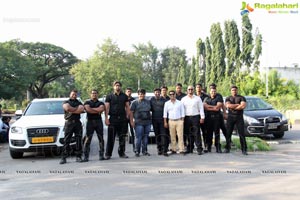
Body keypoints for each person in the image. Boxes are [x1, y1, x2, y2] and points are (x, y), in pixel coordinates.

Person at [105, 81, 131, 159]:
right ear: (113, 87)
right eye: (116, 85)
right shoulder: (109, 96)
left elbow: (127, 107)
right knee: (111, 138)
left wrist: (127, 116)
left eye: (119, 85)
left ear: (121, 87)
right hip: (113, 119)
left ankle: (122, 153)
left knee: (122, 137)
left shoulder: (124, 96)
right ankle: (108, 154)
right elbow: (106, 107)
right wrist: (106, 118)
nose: (117, 87)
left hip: (122, 119)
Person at [60, 90, 85, 164]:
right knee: (66, 140)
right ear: (70, 94)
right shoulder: (66, 102)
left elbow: (81, 109)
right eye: (73, 94)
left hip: (77, 123)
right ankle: (63, 158)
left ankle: (78, 156)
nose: (74, 95)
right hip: (69, 123)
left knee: (78, 140)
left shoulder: (79, 102)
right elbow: (67, 108)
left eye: (75, 94)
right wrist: (76, 109)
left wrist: (72, 110)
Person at [82, 89, 106, 162]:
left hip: (98, 122)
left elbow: (101, 109)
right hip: (90, 122)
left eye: (95, 93)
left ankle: (101, 155)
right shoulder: (87, 102)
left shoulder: (101, 102)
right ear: (90, 94)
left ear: (97, 94)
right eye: (92, 93)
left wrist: (92, 109)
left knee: (101, 139)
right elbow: (88, 110)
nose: (94, 94)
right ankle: (86, 156)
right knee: (88, 139)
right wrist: (97, 110)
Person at [181, 86, 205, 155]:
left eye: (191, 89)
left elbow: (201, 108)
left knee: (197, 133)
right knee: (188, 133)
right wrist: (182, 119)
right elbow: (182, 110)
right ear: (187, 90)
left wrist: (202, 117)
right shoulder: (183, 99)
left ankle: (199, 149)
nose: (190, 90)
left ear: (193, 90)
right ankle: (190, 148)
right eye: (189, 89)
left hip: (195, 117)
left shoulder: (198, 98)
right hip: (187, 117)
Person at [225, 85, 248, 155]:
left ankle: (244, 150)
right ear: (230, 91)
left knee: (241, 134)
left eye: (235, 90)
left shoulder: (241, 97)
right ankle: (227, 148)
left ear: (237, 90)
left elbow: (243, 106)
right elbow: (228, 105)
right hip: (230, 117)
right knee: (228, 133)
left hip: (239, 117)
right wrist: (237, 105)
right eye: (232, 90)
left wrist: (233, 107)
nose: (234, 91)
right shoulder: (228, 98)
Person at [130, 89, 152, 157]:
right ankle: (137, 151)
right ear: (138, 95)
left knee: (146, 137)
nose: (141, 95)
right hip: (138, 122)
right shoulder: (134, 102)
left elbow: (151, 111)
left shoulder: (148, 102)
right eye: (140, 94)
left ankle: (144, 151)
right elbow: (131, 113)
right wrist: (132, 121)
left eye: (142, 94)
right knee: (138, 137)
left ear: (144, 95)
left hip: (147, 122)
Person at [163, 90, 185, 155]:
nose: (172, 95)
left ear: (175, 95)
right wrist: (165, 122)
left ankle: (181, 149)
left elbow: (183, 112)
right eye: (170, 94)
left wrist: (182, 121)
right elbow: (165, 114)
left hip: (179, 121)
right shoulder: (167, 103)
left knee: (180, 136)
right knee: (172, 136)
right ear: (169, 95)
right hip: (171, 121)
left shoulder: (180, 103)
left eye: (173, 94)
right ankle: (173, 149)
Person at [203, 87, 223, 153]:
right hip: (208, 118)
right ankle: (209, 147)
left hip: (216, 118)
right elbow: (205, 107)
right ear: (210, 91)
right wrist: (214, 107)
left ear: (216, 91)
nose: (213, 92)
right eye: (212, 91)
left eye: (214, 91)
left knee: (217, 133)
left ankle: (218, 147)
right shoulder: (206, 98)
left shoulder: (218, 97)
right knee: (209, 133)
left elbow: (218, 108)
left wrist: (209, 107)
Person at [150, 88, 169, 156]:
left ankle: (164, 150)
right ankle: (159, 149)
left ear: (160, 93)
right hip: (154, 120)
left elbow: (166, 111)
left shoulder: (164, 100)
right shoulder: (151, 100)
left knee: (163, 135)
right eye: (156, 92)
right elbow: (149, 109)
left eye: (158, 92)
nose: (157, 93)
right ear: (154, 93)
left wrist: (166, 121)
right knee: (157, 135)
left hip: (162, 120)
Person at [195, 83, 209, 152]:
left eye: (199, 87)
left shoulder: (206, 96)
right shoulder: (193, 96)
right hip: (195, 116)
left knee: (204, 132)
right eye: (197, 87)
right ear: (196, 88)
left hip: (204, 116)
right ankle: (197, 145)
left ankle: (206, 146)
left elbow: (206, 105)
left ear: (201, 88)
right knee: (196, 132)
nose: (198, 88)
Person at [125, 87, 136, 152]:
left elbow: (134, 109)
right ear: (126, 92)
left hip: (131, 117)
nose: (129, 93)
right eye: (128, 91)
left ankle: (134, 147)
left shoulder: (133, 99)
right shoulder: (123, 99)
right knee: (123, 133)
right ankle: (123, 149)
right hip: (124, 117)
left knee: (132, 133)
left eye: (130, 91)